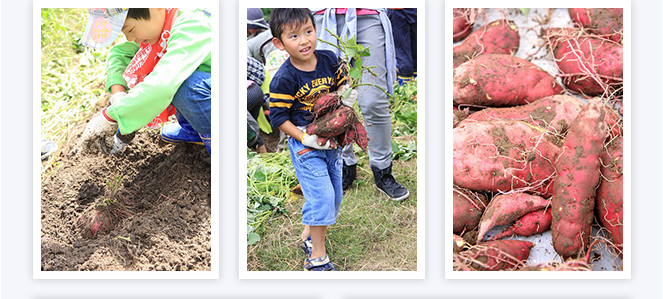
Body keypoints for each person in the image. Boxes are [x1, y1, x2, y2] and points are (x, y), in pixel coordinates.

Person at [268, 8, 357, 271]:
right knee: (322, 198)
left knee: (334, 197)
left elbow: (343, 83)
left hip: (333, 142)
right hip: (307, 146)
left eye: (308, 31)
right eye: (294, 36)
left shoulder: (329, 59)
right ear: (279, 43)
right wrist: (304, 138)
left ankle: (309, 234)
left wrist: (346, 95)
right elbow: (278, 118)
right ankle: (317, 257)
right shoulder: (284, 78)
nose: (304, 40)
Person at [78, 8, 212, 155]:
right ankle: (195, 129)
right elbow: (119, 54)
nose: (129, 38)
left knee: (183, 85)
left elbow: (162, 85)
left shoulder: (192, 26)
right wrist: (118, 95)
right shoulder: (161, 24)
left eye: (130, 29)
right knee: (172, 74)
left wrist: (112, 116)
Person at [311, 8, 410, 201]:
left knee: (373, 100)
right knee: (332, 100)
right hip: (322, 16)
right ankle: (344, 164)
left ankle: (382, 170)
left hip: (366, 15)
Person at [388, 8, 417, 85]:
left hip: (397, 10)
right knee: (416, 53)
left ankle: (405, 91)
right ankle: (415, 89)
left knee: (402, 53)